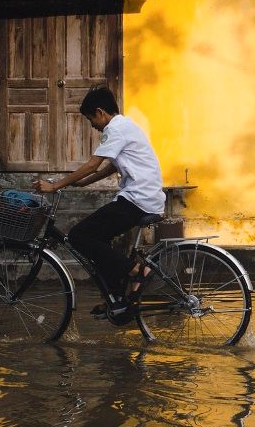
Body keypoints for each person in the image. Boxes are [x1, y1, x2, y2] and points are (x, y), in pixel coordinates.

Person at [33, 86, 164, 319]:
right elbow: (112, 166)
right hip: (143, 196)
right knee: (100, 241)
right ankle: (116, 299)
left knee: (78, 236)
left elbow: (93, 164)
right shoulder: (127, 126)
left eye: (91, 119)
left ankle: (135, 270)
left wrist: (55, 186)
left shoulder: (115, 129)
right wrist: (84, 183)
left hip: (138, 199)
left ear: (100, 112)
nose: (92, 125)